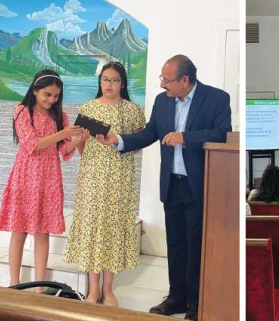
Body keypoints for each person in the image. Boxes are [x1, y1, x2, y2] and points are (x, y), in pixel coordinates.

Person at [97, 54, 231, 320]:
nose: (161, 85)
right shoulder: (163, 101)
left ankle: (195, 301)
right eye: (161, 78)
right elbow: (149, 133)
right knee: (177, 244)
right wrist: (118, 140)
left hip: (200, 184)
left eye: (166, 80)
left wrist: (186, 138)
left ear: (185, 80)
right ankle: (176, 298)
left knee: (196, 244)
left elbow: (223, 133)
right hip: (172, 183)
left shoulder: (217, 98)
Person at [0, 70, 87, 292]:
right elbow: (32, 144)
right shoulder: (22, 111)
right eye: (47, 94)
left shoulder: (59, 117)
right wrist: (62, 132)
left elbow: (64, 150)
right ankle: (14, 283)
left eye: (56, 96)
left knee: (42, 231)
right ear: (35, 90)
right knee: (19, 229)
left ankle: (39, 287)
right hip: (25, 176)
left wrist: (78, 138)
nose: (51, 100)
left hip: (49, 178)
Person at [63, 62, 146, 306]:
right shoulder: (88, 108)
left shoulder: (132, 110)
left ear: (123, 83)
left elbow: (139, 141)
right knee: (93, 228)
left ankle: (108, 289)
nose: (109, 85)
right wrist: (84, 143)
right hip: (92, 178)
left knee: (114, 228)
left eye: (115, 80)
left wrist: (120, 145)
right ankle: (92, 290)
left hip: (120, 178)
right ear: (100, 81)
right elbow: (79, 145)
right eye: (106, 79)